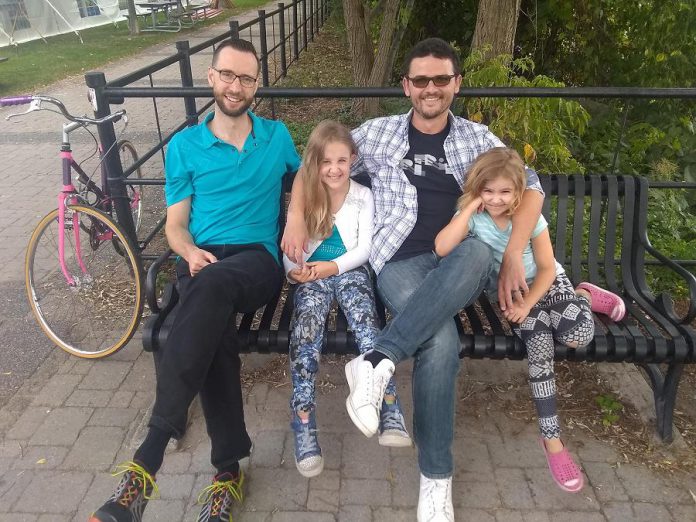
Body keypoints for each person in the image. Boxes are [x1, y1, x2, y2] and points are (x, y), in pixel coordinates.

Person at [282, 37, 544, 521]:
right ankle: (436, 477)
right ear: (406, 86)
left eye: (440, 79)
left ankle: (377, 361)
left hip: (458, 267)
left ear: (456, 84)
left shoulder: (478, 140)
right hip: (398, 264)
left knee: (475, 251)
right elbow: (315, 162)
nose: (430, 88)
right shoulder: (377, 135)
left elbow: (532, 190)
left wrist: (512, 252)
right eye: (420, 79)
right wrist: (297, 214)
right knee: (440, 344)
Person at [89, 39, 301, 522]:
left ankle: (147, 461)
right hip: (200, 259)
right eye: (228, 74)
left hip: (255, 263)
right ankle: (228, 472)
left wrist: (296, 220)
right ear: (211, 77)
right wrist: (186, 251)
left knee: (209, 292)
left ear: (257, 85)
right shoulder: (185, 145)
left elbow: (311, 179)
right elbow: (176, 225)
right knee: (214, 324)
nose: (236, 86)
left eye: (246, 78)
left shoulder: (276, 136)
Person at [435, 147, 626, 493]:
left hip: (547, 285)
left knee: (578, 335)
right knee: (539, 349)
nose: (495, 199)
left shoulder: (530, 218)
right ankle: (552, 440)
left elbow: (548, 267)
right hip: (515, 298)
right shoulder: (475, 219)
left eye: (504, 192)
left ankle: (584, 296)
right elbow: (443, 247)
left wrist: (529, 305)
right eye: (487, 191)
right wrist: (467, 210)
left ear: (519, 192)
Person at [283, 120, 412, 478]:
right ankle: (304, 418)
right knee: (305, 332)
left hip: (350, 271)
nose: (334, 169)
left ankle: (388, 404)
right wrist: (294, 269)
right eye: (326, 162)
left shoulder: (362, 196)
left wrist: (332, 267)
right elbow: (291, 249)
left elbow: (364, 249)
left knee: (368, 328)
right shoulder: (307, 196)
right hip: (312, 276)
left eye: (341, 161)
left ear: (353, 159)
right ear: (314, 163)